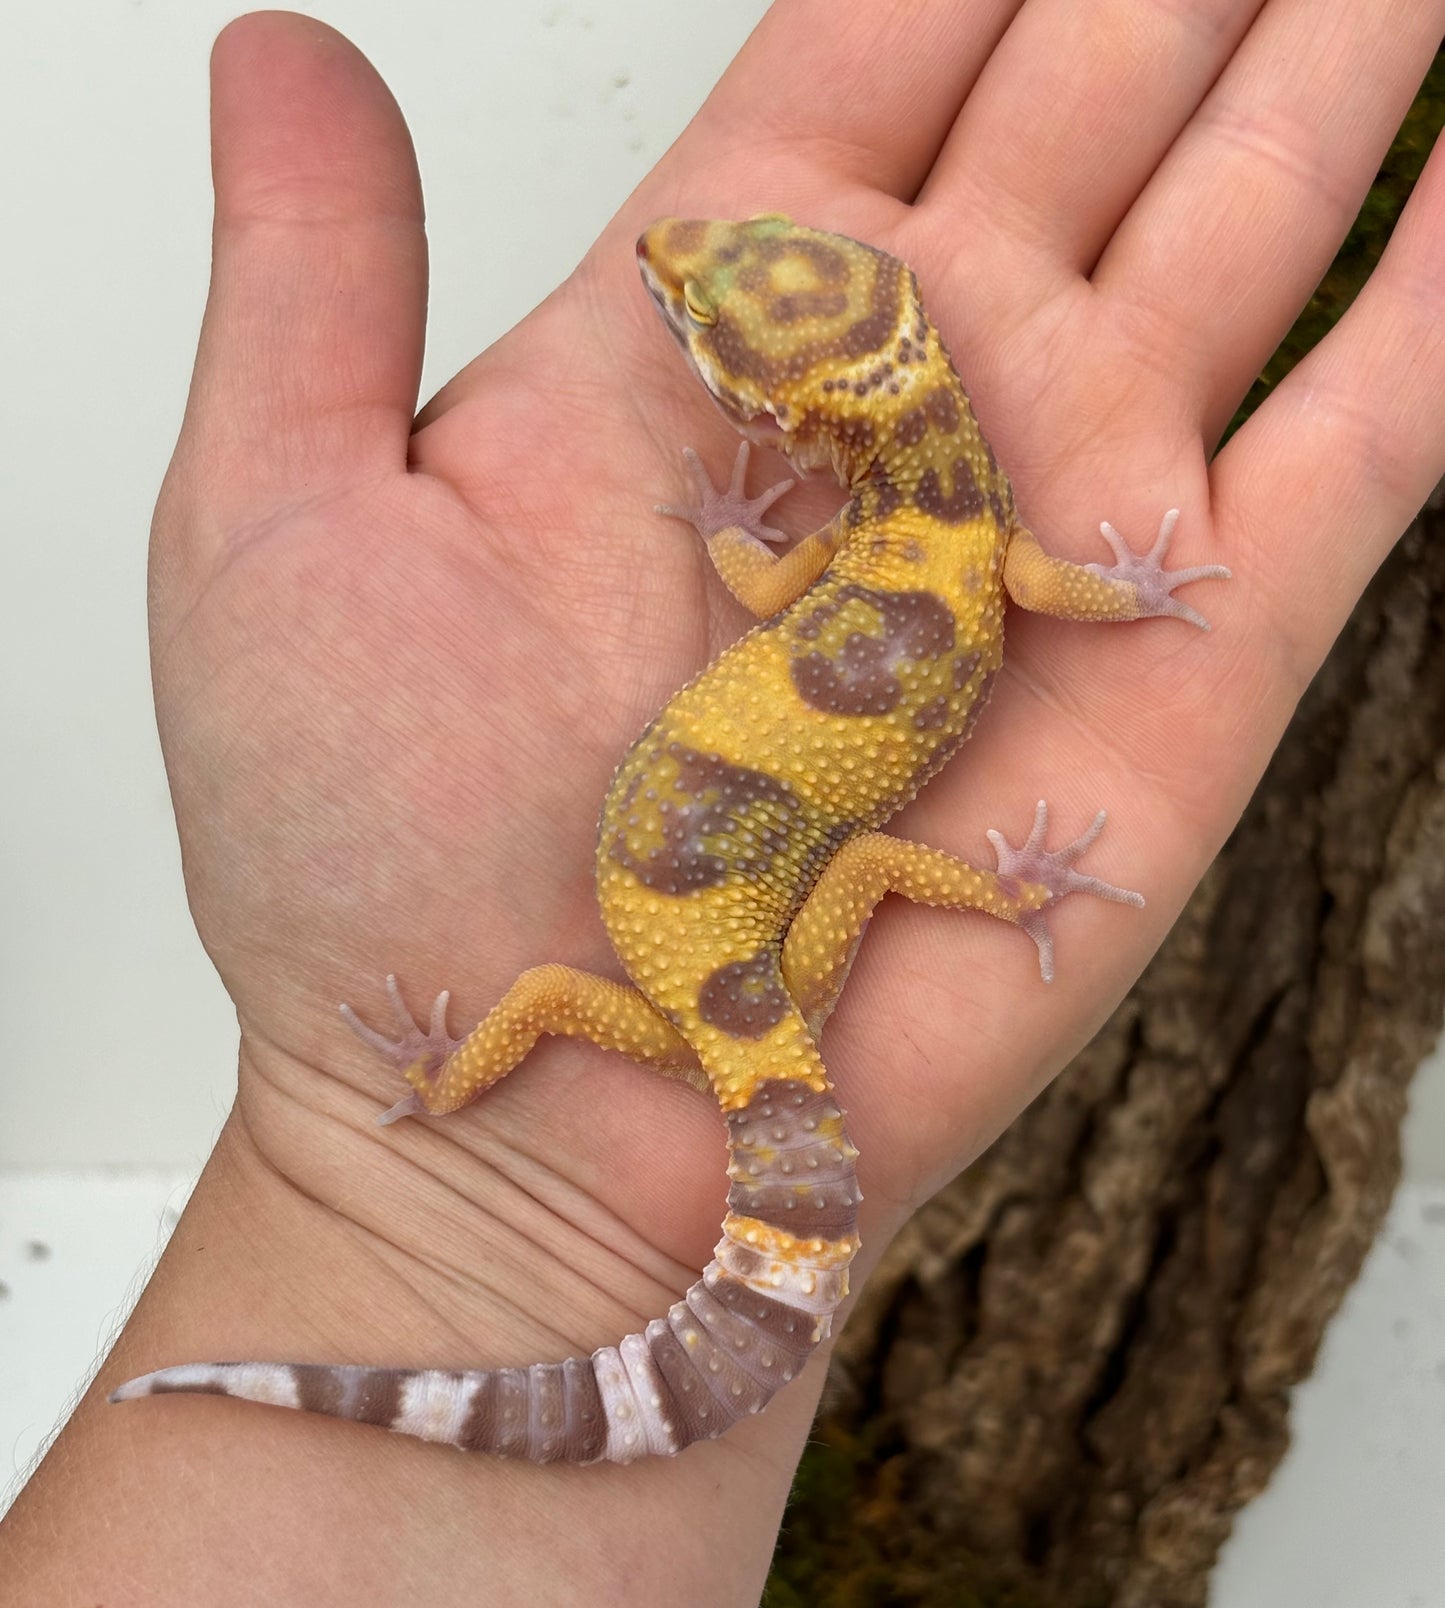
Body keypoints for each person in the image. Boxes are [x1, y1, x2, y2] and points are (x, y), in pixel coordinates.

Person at [2, 5, 1440, 1602]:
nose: (683, 259)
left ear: (794, 413)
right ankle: (947, 922)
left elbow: (770, 576)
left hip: (710, 957)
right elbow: (1012, 584)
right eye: (711, 275)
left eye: (703, 296)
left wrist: (415, 1137)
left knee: (675, 943)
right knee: (695, 938)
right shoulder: (957, 537)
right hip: (730, 966)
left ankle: (470, 1144)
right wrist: (1124, 595)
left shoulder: (893, 550)